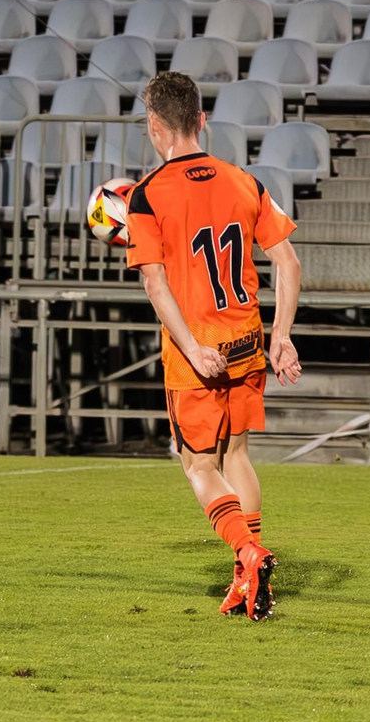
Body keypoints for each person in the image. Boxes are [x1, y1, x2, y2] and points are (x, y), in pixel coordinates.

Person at [123, 72, 303, 619]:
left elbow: (155, 284)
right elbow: (289, 262)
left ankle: (248, 551)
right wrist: (282, 337)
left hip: (195, 351)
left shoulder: (146, 195)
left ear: (155, 127)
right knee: (238, 456)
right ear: (201, 120)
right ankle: (246, 579)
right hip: (248, 339)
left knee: (198, 465)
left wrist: (194, 348)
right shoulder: (244, 180)